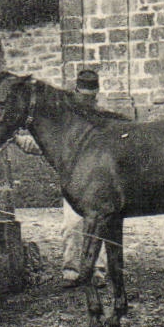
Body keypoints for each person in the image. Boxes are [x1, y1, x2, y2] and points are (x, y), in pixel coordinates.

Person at [59, 68, 123, 285]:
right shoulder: (68, 121)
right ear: (76, 92)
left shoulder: (104, 119)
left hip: (101, 184)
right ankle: (71, 268)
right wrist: (20, 141)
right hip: (76, 183)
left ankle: (97, 269)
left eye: (90, 96)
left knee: (101, 227)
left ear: (96, 94)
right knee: (72, 225)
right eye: (82, 95)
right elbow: (50, 148)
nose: (86, 100)